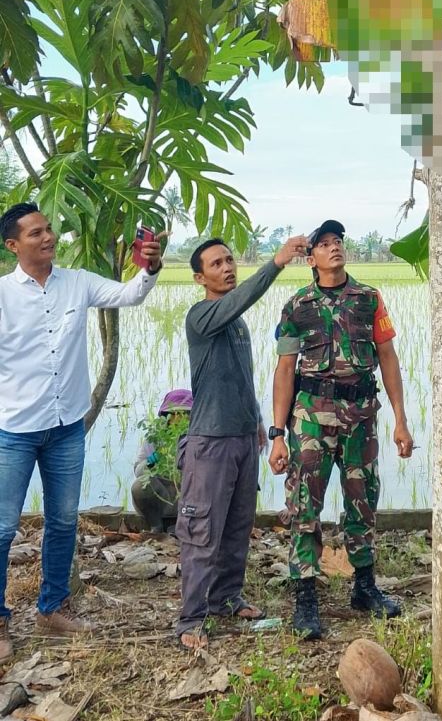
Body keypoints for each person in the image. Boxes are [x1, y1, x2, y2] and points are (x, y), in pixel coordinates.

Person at [0, 202, 163, 662]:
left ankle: (51, 609)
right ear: (14, 245)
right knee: (3, 528)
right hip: (13, 430)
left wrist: (148, 268)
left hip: (67, 427)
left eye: (48, 229)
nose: (47, 237)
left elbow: (130, 295)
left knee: (63, 521)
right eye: (35, 233)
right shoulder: (2, 295)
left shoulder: (78, 282)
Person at [268, 219, 414, 641]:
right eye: (325, 244)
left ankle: (365, 588)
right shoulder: (297, 306)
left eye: (338, 242)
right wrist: (278, 434)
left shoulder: (369, 299)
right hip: (311, 420)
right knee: (304, 507)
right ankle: (306, 600)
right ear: (310, 257)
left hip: (361, 419)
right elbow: (284, 371)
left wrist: (400, 419)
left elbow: (387, 356)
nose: (335, 248)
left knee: (363, 501)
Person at [175, 232, 306, 651]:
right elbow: (240, 300)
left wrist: (259, 424)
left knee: (237, 524)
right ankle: (191, 619)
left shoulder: (237, 325)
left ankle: (227, 598)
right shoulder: (202, 316)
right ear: (200, 278)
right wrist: (277, 262)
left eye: (229, 260)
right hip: (209, 443)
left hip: (242, 439)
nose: (227, 268)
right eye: (216, 264)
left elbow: (241, 378)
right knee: (202, 532)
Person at [131, 389, 193, 534]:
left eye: (184, 415)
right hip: (162, 497)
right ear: (166, 417)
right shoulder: (155, 437)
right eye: (174, 414)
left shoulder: (199, 437)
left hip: (191, 497)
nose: (179, 419)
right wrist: (153, 460)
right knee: (140, 487)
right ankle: (156, 526)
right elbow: (139, 472)